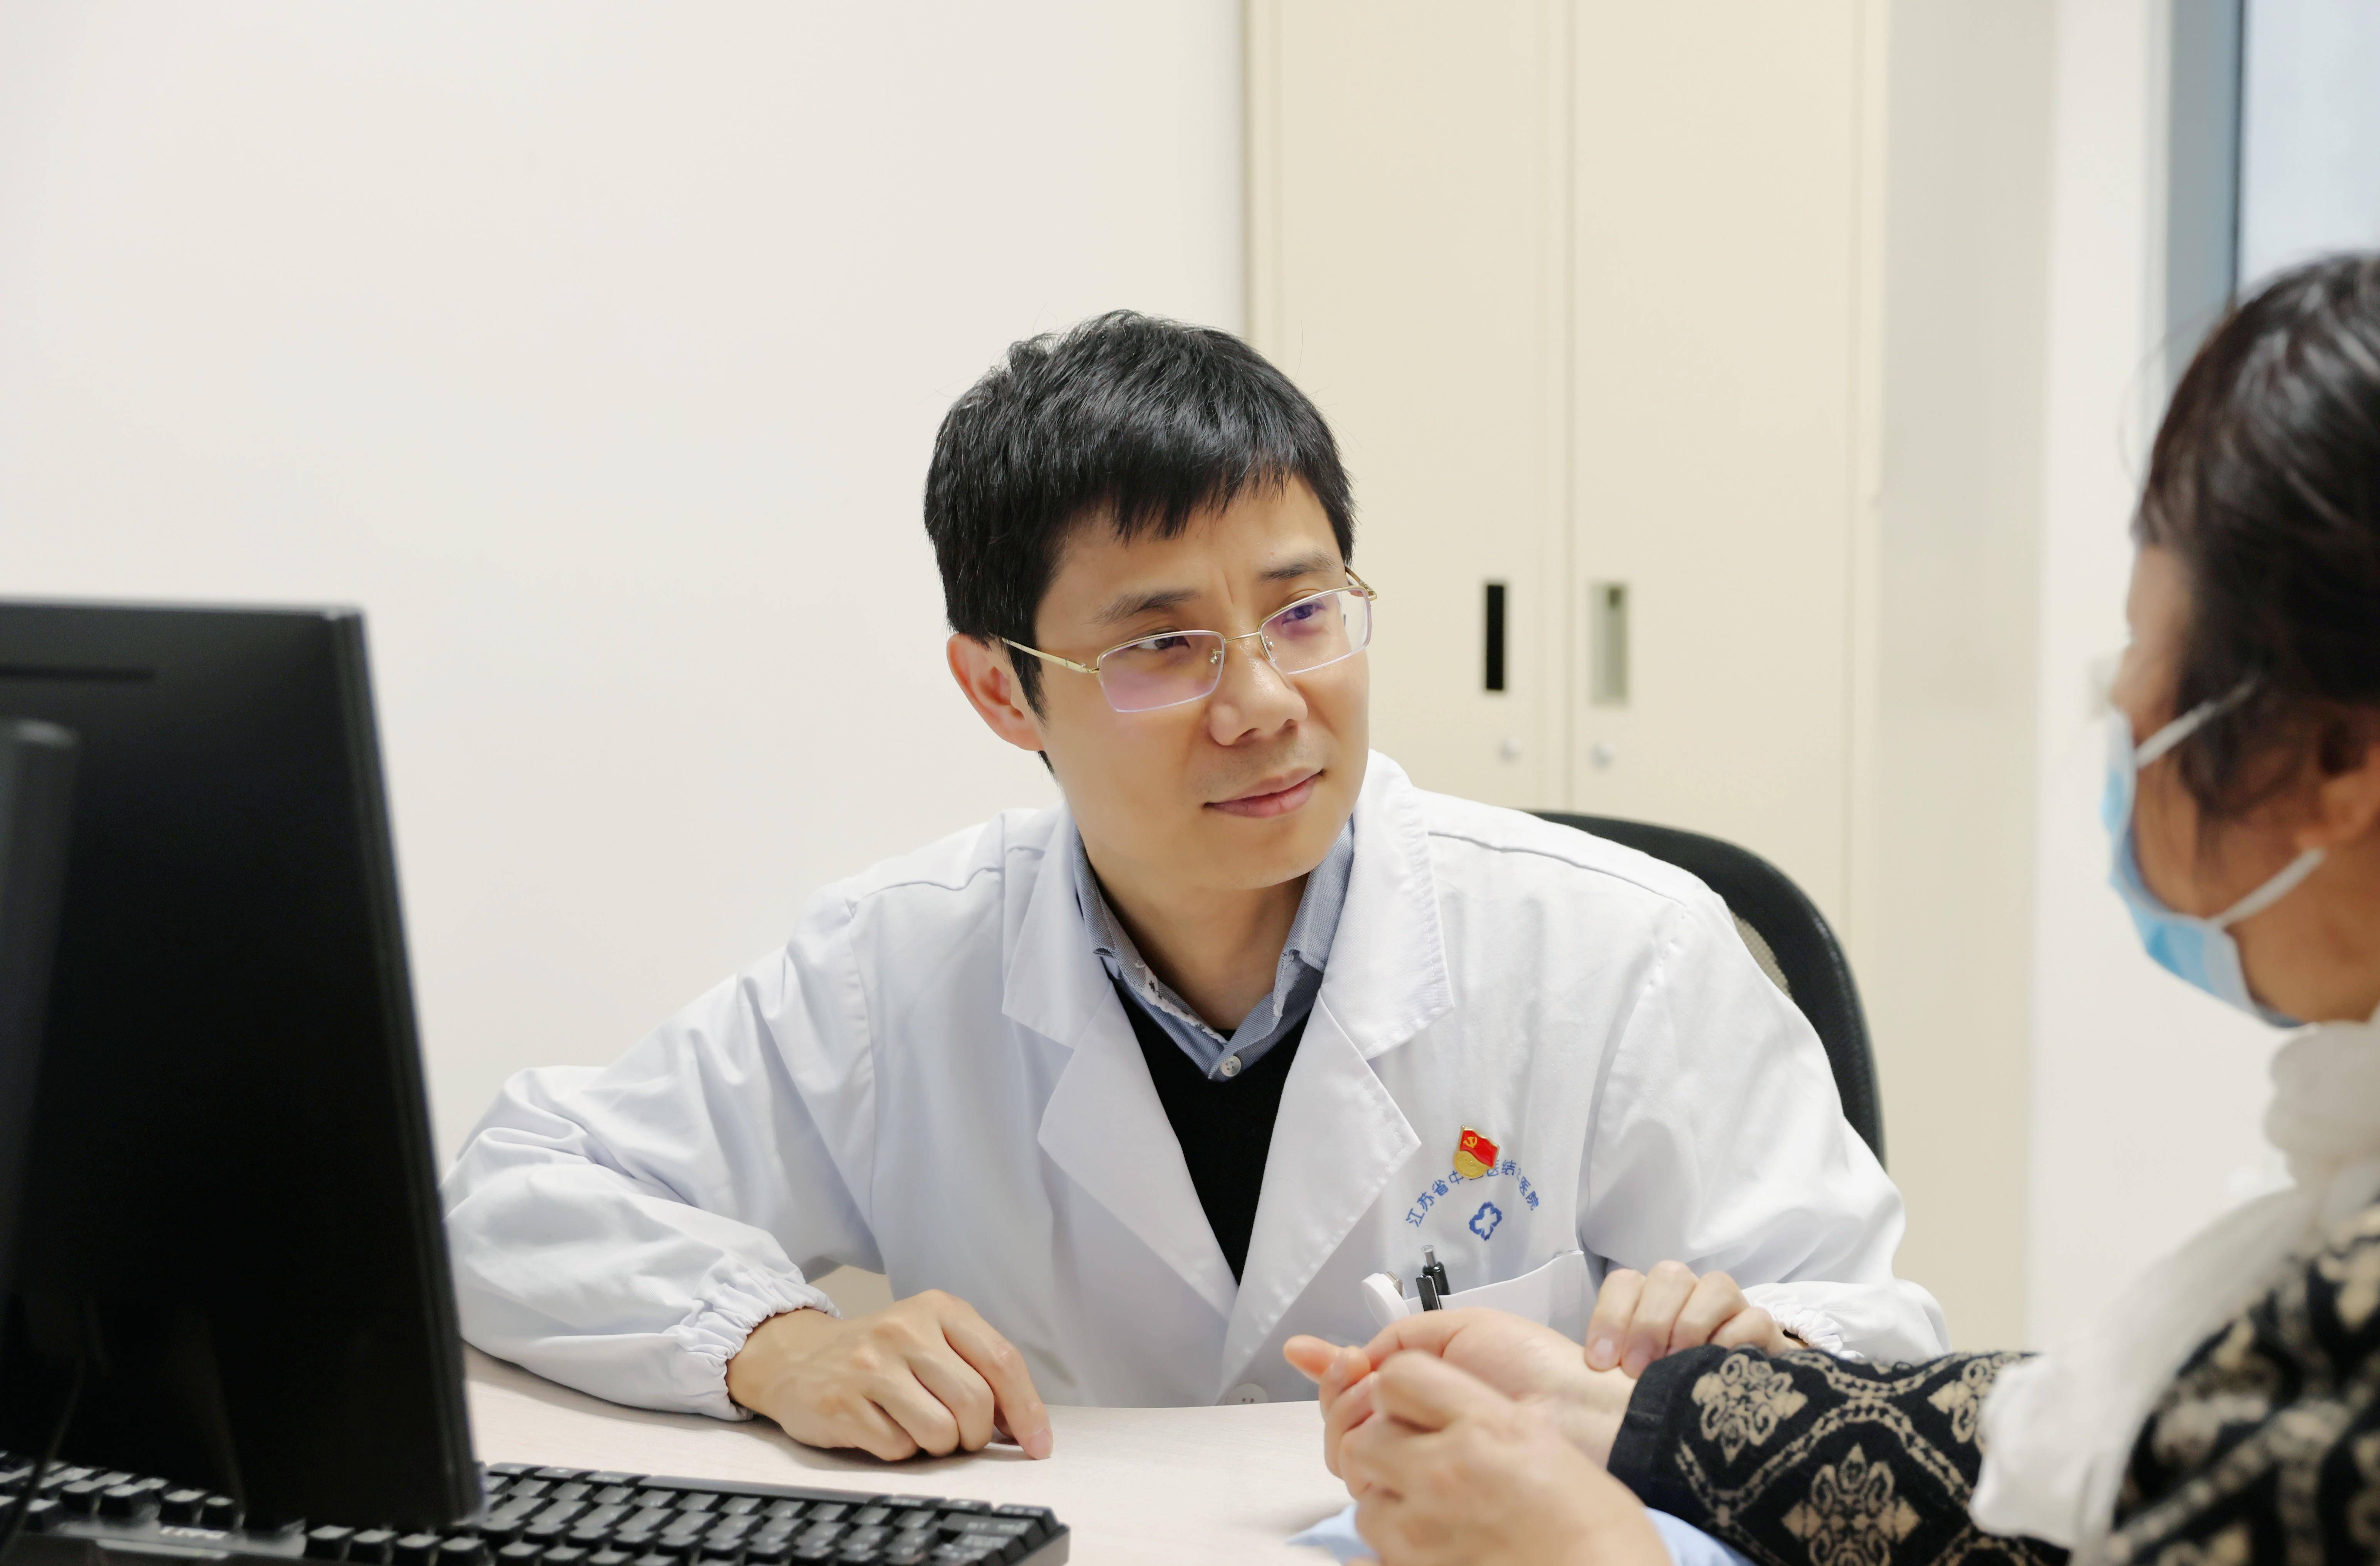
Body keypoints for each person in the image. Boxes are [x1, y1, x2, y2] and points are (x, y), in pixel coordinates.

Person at [1290, 231, 2380, 1566]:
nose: (2123, 715)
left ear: (2339, 758)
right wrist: (1619, 1417)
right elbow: (2143, 1511)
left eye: (2151, 659)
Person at [444, 310, 1944, 1464]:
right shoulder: (894, 970)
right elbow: (512, 1194)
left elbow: (1881, 1335)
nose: (1264, 700)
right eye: (1162, 646)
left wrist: (1751, 1351)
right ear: (1001, 689)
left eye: (1303, 612)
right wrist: (775, 1343)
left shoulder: (1620, 952)